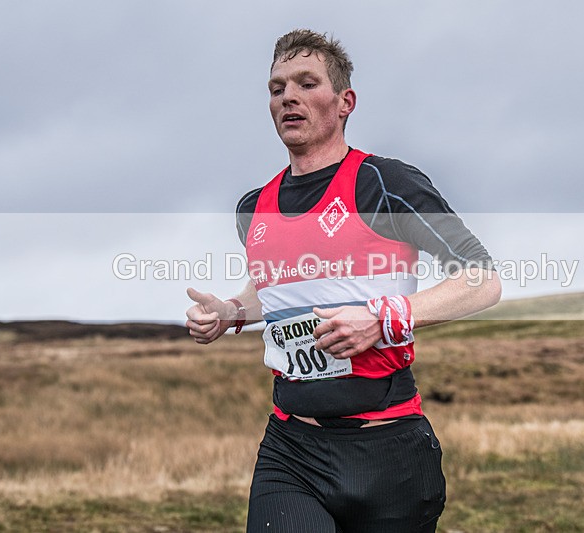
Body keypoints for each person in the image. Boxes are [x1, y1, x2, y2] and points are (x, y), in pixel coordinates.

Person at [186, 29, 501, 533]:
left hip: (389, 454)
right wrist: (232, 312)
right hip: (292, 450)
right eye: (277, 88)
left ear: (344, 101)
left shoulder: (384, 184)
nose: (288, 96)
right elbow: (275, 287)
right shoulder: (253, 208)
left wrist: (382, 319)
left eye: (307, 83)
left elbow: (482, 279)